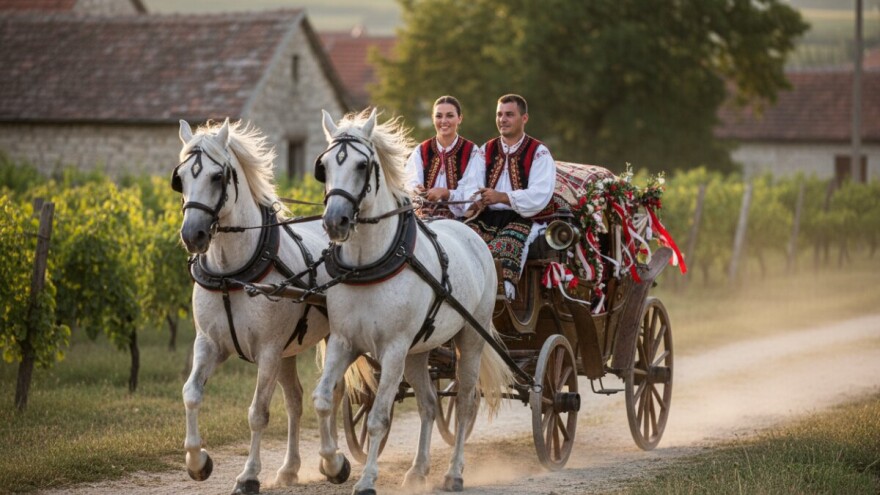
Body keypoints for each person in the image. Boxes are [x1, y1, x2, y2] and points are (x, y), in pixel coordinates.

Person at [455, 94, 556, 299]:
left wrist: (502, 197)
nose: (503, 119)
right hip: (488, 216)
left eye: (509, 114)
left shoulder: (539, 152)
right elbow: (470, 183)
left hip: (525, 218)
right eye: (499, 114)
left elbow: (539, 195)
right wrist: (476, 201)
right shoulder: (486, 150)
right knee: (461, 245)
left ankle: (501, 301)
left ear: (524, 118)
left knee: (501, 249)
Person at [405, 95, 482, 218]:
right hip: (423, 218)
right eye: (439, 116)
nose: (444, 121)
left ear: (460, 118)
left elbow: (472, 195)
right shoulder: (421, 150)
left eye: (450, 116)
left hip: (459, 220)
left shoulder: (472, 151)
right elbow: (408, 183)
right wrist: (416, 190)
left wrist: (446, 193)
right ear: (433, 118)